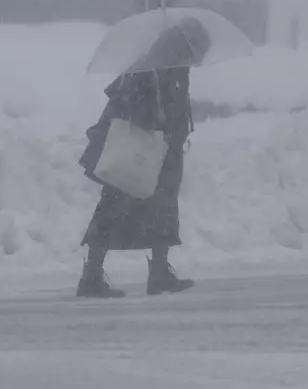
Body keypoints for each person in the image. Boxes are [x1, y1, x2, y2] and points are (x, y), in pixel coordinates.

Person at [77, 20, 211, 298]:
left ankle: (159, 272)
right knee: (113, 208)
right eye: (198, 51)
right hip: (135, 151)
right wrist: (154, 118)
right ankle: (91, 275)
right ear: (186, 46)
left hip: (160, 150)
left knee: (163, 210)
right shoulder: (150, 67)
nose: (199, 59)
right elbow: (126, 103)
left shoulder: (175, 66)